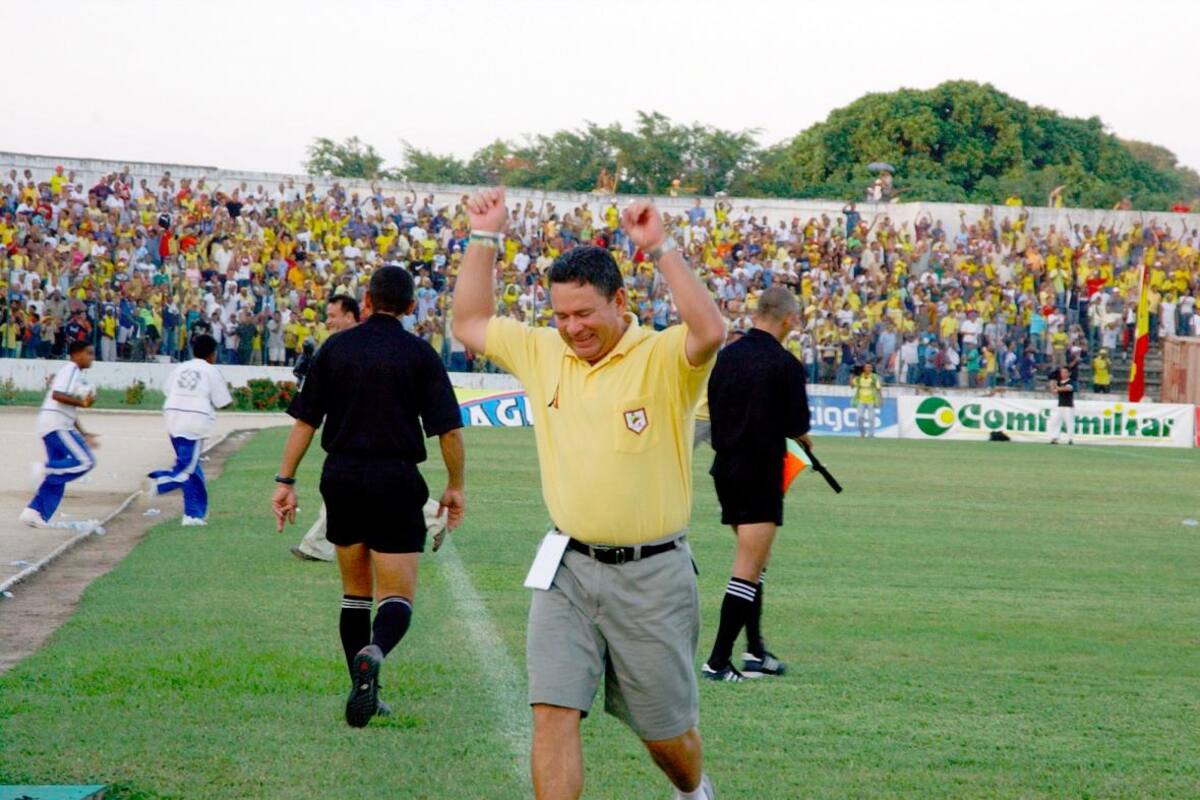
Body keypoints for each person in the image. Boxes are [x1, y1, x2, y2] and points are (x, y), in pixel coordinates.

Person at [452, 187, 726, 800]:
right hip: (567, 568)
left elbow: (709, 330)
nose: (572, 328)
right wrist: (484, 239)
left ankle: (694, 789)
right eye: (561, 316)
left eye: (585, 314)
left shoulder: (660, 357)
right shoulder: (543, 350)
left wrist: (661, 248)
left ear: (620, 302)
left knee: (668, 738)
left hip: (652, 576)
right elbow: (468, 322)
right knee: (552, 710)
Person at [271, 265, 466, 729]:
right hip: (395, 477)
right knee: (397, 595)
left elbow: (305, 421)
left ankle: (363, 686)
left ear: (367, 299)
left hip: (341, 476)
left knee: (355, 593)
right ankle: (375, 654)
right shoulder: (419, 353)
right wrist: (455, 485)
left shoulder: (335, 348)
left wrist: (285, 480)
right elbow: (448, 429)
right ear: (412, 306)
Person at [703, 286, 811, 683]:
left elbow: (716, 411)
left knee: (756, 562)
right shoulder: (785, 365)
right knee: (747, 569)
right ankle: (717, 661)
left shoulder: (726, 358)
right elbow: (798, 427)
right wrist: (801, 439)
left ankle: (755, 651)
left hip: (725, 469)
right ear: (788, 320)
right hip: (760, 472)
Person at [291, 294, 361, 562]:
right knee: (344, 492)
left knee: (382, 489)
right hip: (348, 431)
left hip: (358, 432)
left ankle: (435, 517)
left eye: (333, 316)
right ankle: (316, 544)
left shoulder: (352, 345)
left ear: (350, 316)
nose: (328, 321)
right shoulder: (336, 346)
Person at [144, 334, 232, 526]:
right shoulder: (211, 370)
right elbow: (223, 401)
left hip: (173, 417)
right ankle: (159, 482)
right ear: (212, 354)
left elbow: (167, 390)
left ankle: (193, 514)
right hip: (194, 419)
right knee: (187, 468)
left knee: (193, 468)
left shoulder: (181, 367)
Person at [21, 341, 99, 528]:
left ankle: (34, 512)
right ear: (77, 354)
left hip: (54, 423)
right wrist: (83, 402)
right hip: (57, 425)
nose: (92, 358)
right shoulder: (71, 369)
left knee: (61, 474)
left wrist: (84, 433)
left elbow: (68, 408)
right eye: (89, 353)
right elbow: (57, 395)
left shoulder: (74, 373)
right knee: (85, 461)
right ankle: (43, 468)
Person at [851, 362, 883, 438]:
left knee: (871, 418)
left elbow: (878, 388)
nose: (869, 368)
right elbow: (852, 386)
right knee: (859, 417)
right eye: (867, 367)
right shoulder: (860, 377)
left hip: (871, 400)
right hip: (861, 400)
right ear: (864, 368)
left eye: (870, 367)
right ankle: (862, 432)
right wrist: (851, 377)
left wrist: (881, 398)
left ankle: (871, 434)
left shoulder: (874, 377)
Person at [1048, 366, 1075, 445]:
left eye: (1065, 372)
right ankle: (1055, 437)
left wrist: (1057, 387)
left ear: (1069, 373)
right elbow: (1054, 391)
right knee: (1055, 421)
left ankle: (1070, 439)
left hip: (1068, 405)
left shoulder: (1070, 381)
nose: (1063, 374)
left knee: (1069, 422)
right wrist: (1052, 382)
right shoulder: (1059, 382)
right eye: (1062, 372)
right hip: (1060, 405)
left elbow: (1068, 388)